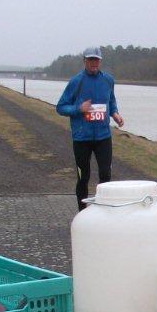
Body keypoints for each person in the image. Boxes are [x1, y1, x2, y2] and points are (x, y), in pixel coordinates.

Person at [56, 47, 124, 210]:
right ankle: (82, 213)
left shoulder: (108, 80)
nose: (94, 63)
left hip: (103, 137)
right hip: (82, 139)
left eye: (96, 60)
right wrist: (78, 109)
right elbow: (61, 107)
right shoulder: (76, 82)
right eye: (91, 60)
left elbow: (111, 100)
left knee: (105, 175)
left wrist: (115, 113)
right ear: (84, 61)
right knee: (83, 177)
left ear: (100, 61)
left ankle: (104, 211)